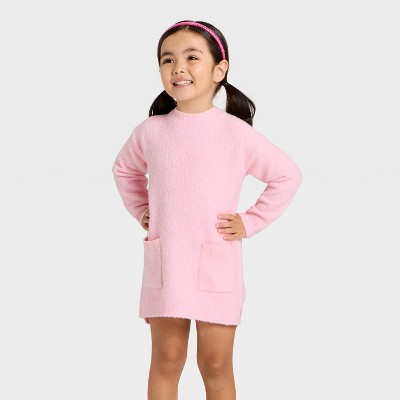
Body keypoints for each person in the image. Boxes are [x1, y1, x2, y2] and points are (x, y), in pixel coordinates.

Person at [112, 19, 302, 400]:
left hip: (216, 265)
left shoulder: (235, 133)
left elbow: (287, 175)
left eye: (191, 57)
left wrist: (250, 222)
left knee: (215, 364)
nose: (178, 68)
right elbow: (124, 170)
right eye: (167, 59)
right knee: (166, 360)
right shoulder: (150, 131)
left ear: (219, 69)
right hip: (168, 264)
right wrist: (143, 210)